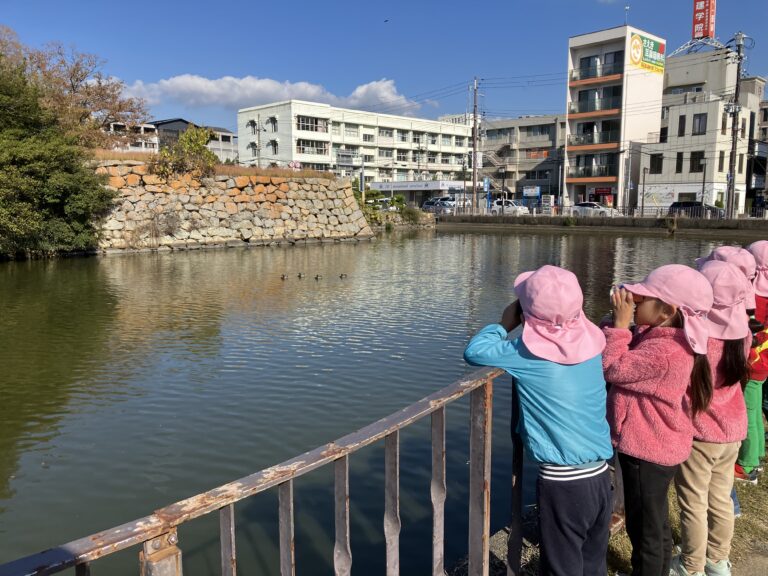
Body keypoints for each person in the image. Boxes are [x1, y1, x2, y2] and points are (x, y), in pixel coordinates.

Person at [463, 265, 613, 576]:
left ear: (526, 314)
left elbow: (475, 351)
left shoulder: (525, 353)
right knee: (593, 562)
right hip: (600, 472)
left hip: (564, 482)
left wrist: (504, 324)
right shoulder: (592, 343)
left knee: (562, 566)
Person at [602, 264, 713, 576]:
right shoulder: (667, 337)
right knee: (656, 522)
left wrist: (620, 328)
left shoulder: (665, 352)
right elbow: (631, 348)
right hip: (658, 446)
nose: (635, 304)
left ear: (666, 311)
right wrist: (618, 325)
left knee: (644, 530)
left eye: (642, 301)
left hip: (645, 449)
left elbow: (613, 368)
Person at [671, 261, 750, 576]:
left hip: (701, 432)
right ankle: (717, 560)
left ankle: (691, 566)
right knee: (720, 498)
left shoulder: (697, 338)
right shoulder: (741, 334)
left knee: (693, 504)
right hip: (732, 431)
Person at [697, 246, 764, 482]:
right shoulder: (746, 319)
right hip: (756, 370)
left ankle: (748, 463)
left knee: (750, 409)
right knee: (752, 411)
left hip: (748, 368)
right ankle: (754, 456)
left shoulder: (705, 337)